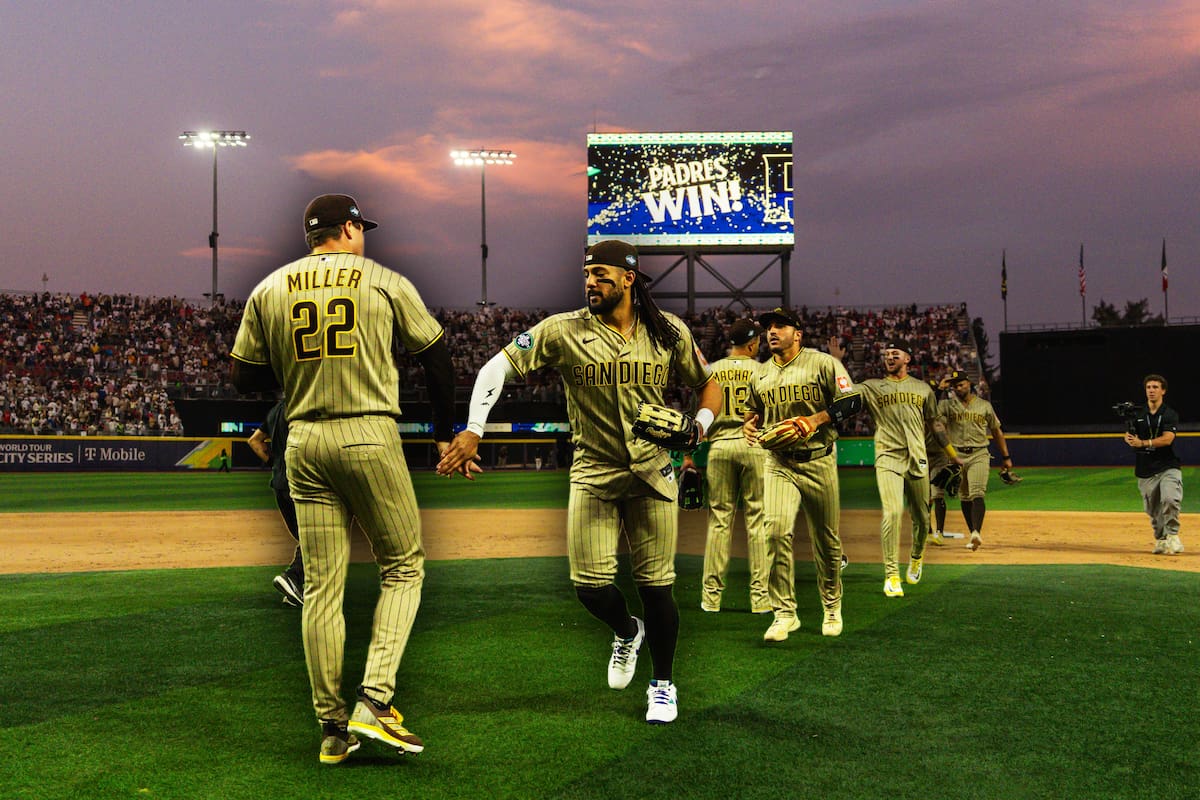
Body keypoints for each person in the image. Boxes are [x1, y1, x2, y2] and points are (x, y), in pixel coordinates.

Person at [436, 239, 721, 724]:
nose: (591, 282)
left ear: (629, 278)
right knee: (590, 588)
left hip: (653, 471)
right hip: (594, 472)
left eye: (602, 274)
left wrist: (701, 424)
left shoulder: (667, 330)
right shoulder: (563, 330)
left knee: (657, 587)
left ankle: (662, 685)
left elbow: (708, 381)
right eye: (588, 274)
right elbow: (496, 366)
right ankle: (625, 632)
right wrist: (474, 428)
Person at [230, 194, 457, 764]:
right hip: (368, 433)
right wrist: (444, 431)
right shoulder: (383, 280)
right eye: (362, 228)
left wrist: (302, 368)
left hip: (303, 440)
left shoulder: (270, 286)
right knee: (403, 566)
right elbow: (437, 357)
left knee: (322, 587)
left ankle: (332, 729)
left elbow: (243, 379)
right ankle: (375, 700)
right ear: (350, 228)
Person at [743, 308, 861, 640]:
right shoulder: (760, 374)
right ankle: (784, 613)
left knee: (826, 540)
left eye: (780, 325)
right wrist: (749, 427)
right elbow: (752, 415)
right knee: (776, 532)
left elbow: (852, 402)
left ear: (798, 333)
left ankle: (832, 606)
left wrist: (815, 420)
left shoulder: (824, 363)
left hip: (819, 459)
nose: (771, 331)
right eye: (768, 327)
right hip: (779, 463)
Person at [830, 337, 959, 597]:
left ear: (907, 358)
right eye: (887, 353)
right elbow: (846, 393)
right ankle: (891, 575)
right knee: (892, 512)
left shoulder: (923, 389)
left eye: (895, 353)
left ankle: (916, 556)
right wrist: (837, 362)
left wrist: (952, 455)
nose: (889, 357)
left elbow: (935, 425)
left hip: (917, 457)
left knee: (922, 519)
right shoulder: (873, 387)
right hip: (887, 456)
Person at [699, 318, 770, 614]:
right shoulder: (763, 370)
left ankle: (711, 599)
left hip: (720, 448)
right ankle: (761, 599)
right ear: (752, 343)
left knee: (719, 523)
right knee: (758, 522)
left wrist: (690, 456)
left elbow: (703, 414)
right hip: (753, 446)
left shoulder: (712, 370)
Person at [938, 371, 1013, 551]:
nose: (958, 388)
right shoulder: (948, 405)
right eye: (955, 385)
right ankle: (973, 532)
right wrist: (940, 390)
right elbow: (935, 418)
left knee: (977, 492)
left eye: (961, 384)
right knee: (964, 497)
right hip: (956, 456)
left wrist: (1006, 457)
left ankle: (977, 532)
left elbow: (997, 432)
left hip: (979, 453)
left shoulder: (984, 406)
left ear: (969, 384)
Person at [247, 398, 305, 607]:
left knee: (305, 536)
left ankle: (297, 591)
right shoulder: (303, 404)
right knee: (315, 538)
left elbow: (254, 441)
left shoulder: (276, 410)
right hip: (300, 483)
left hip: (279, 483)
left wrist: (274, 462)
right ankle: (293, 577)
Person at [1123, 374, 1183, 554]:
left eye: (1155, 387)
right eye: (1148, 387)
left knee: (1170, 499)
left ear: (1163, 391)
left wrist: (1144, 443)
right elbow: (1130, 435)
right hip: (1145, 468)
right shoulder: (1139, 414)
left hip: (1167, 465)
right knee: (1152, 509)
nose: (1151, 390)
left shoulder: (1169, 414)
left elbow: (1167, 439)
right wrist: (1129, 438)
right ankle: (1161, 538)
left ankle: (1173, 536)